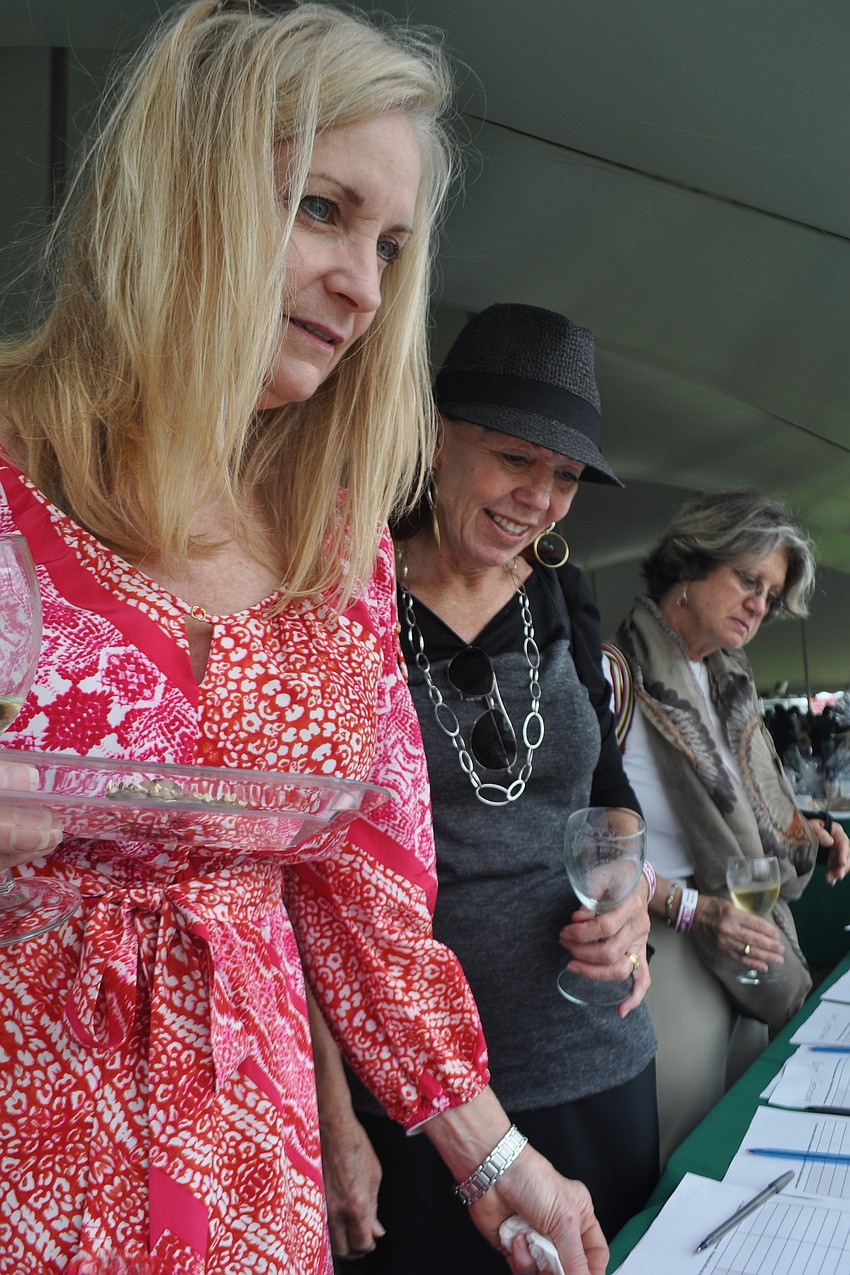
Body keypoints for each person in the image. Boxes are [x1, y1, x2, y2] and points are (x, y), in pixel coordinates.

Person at [0, 6, 608, 1274]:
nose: (367, 286)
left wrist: (497, 1163)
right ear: (186, 191)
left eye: (392, 245)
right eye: (321, 210)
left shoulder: (339, 547)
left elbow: (358, 888)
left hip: (250, 1174)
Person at [312, 303, 659, 1272]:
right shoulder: (350, 594)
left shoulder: (563, 591)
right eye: (514, 459)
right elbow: (308, 875)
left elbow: (606, 788)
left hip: (596, 1058)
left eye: (563, 478)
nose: (540, 500)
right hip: (418, 1098)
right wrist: (332, 1110)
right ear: (433, 437)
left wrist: (626, 887)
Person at [609, 490, 850, 1167]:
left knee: (746, 1128)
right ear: (690, 562)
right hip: (666, 939)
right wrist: (689, 909)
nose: (759, 605)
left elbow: (751, 809)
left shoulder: (726, 679)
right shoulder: (615, 673)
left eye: (770, 595)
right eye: (749, 580)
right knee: (685, 1141)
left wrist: (813, 830)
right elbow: (582, 843)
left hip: (750, 922)